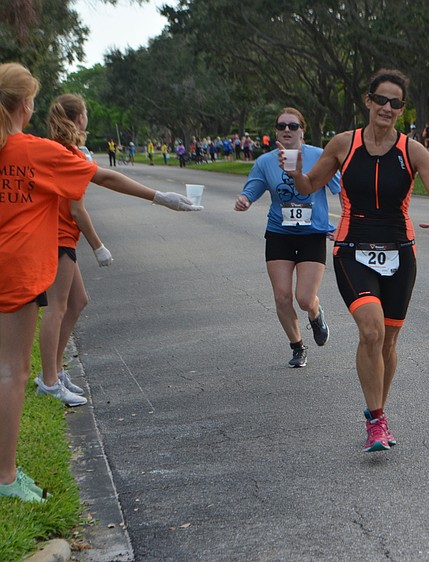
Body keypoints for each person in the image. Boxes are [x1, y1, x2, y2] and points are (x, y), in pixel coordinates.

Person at [0, 62, 200, 503]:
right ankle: (6, 477)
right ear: (26, 105)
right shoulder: (32, 149)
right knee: (13, 371)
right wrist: (159, 197)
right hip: (13, 269)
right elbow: (102, 176)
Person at [281, 69, 429, 452]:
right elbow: (310, 185)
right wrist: (295, 174)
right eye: (382, 100)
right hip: (353, 248)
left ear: (401, 109)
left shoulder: (412, 150)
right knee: (371, 330)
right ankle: (375, 419)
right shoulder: (343, 144)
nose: (388, 108)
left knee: (388, 340)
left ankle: (379, 413)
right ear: (368, 101)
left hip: (400, 252)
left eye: (396, 103)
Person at [235, 107, 340, 368]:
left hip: (312, 234)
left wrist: (346, 223)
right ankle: (297, 346)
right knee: (282, 297)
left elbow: (341, 189)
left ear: (302, 130)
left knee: (304, 298)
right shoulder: (265, 162)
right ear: (276, 132)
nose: (287, 130)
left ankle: (316, 314)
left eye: (293, 126)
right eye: (281, 126)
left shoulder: (319, 156)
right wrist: (245, 200)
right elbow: (253, 189)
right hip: (279, 233)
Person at [35, 93, 114, 408]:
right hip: (58, 237)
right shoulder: (67, 155)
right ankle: (49, 381)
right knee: (56, 308)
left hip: (63, 236)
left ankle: (54, 370)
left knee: (78, 301)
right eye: (86, 112)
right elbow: (77, 209)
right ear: (79, 118)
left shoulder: (65, 151)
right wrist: (99, 247)